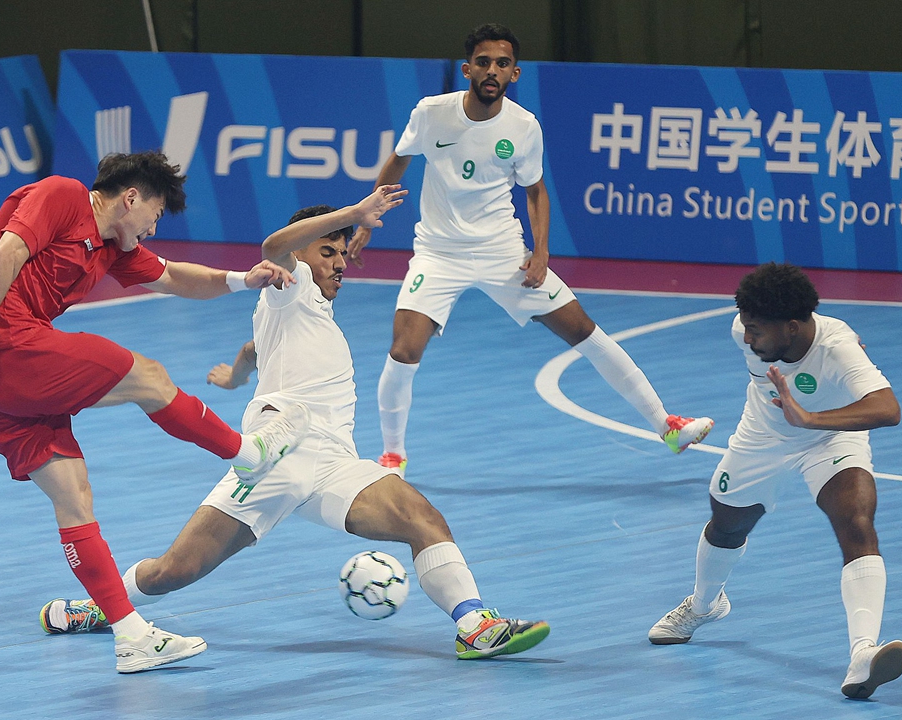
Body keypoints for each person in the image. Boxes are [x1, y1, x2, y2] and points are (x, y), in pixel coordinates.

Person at [42, 186, 552, 660]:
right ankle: (100, 607)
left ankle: (474, 626)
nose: (338, 263)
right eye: (326, 251)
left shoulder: (302, 314)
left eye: (340, 253)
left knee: (422, 517)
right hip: (276, 456)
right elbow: (273, 243)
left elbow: (253, 348)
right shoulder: (291, 283)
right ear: (301, 257)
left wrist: (236, 377)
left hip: (334, 462)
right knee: (175, 571)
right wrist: (355, 214)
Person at [0, 151, 311, 673]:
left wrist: (244, 279)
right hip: (6, 350)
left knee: (75, 499)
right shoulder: (61, 195)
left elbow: (175, 278)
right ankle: (249, 454)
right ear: (130, 197)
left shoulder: (112, 247)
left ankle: (130, 638)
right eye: (154, 213)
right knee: (146, 376)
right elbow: (5, 254)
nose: (153, 227)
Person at [346, 23, 713, 474]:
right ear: (467, 69)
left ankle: (668, 426)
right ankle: (393, 455)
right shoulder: (430, 113)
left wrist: (540, 253)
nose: (492, 71)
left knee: (581, 329)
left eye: (502, 64)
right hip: (439, 253)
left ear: (515, 74)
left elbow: (536, 191)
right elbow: (399, 159)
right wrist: (366, 216)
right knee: (404, 349)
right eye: (483, 62)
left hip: (503, 252)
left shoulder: (523, 127)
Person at [647, 263, 902, 699]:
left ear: (791, 328)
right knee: (728, 525)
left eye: (756, 330)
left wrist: (812, 419)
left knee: (857, 523)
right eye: (746, 328)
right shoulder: (743, 329)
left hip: (830, 437)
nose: (746, 337)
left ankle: (863, 653)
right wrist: (794, 419)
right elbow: (755, 349)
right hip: (762, 436)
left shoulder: (840, 348)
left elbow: (888, 408)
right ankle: (705, 605)